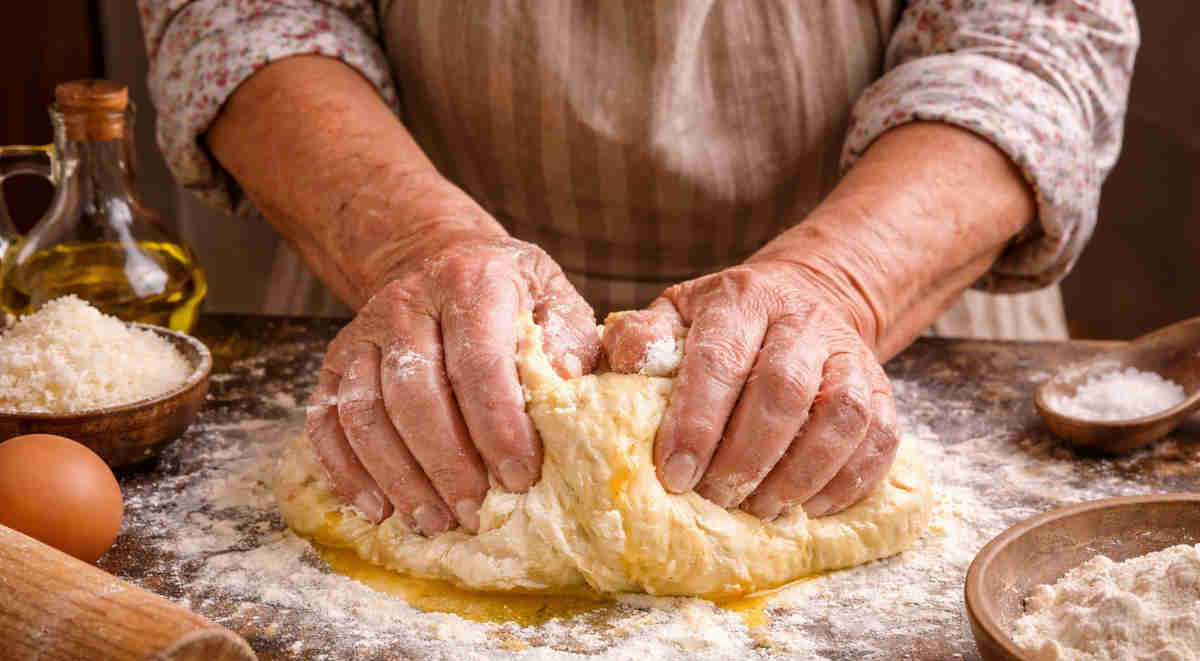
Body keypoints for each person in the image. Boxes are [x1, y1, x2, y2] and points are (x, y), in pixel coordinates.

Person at [139, 1, 1137, 535]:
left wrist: (842, 285)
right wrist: (415, 245)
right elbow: (244, 14)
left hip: (891, 305)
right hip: (416, 339)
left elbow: (1034, 37)